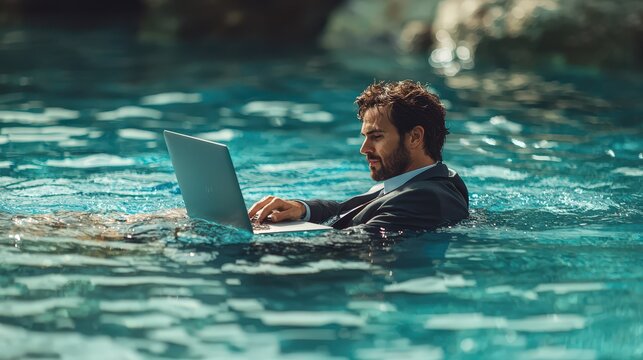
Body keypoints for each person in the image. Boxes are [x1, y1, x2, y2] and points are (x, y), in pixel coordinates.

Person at [248, 80, 469, 232]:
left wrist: (247, 246)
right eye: (365, 136)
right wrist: (301, 209)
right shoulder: (417, 183)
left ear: (415, 137)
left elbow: (351, 246)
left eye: (376, 136)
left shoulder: (425, 198)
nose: (364, 149)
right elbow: (345, 210)